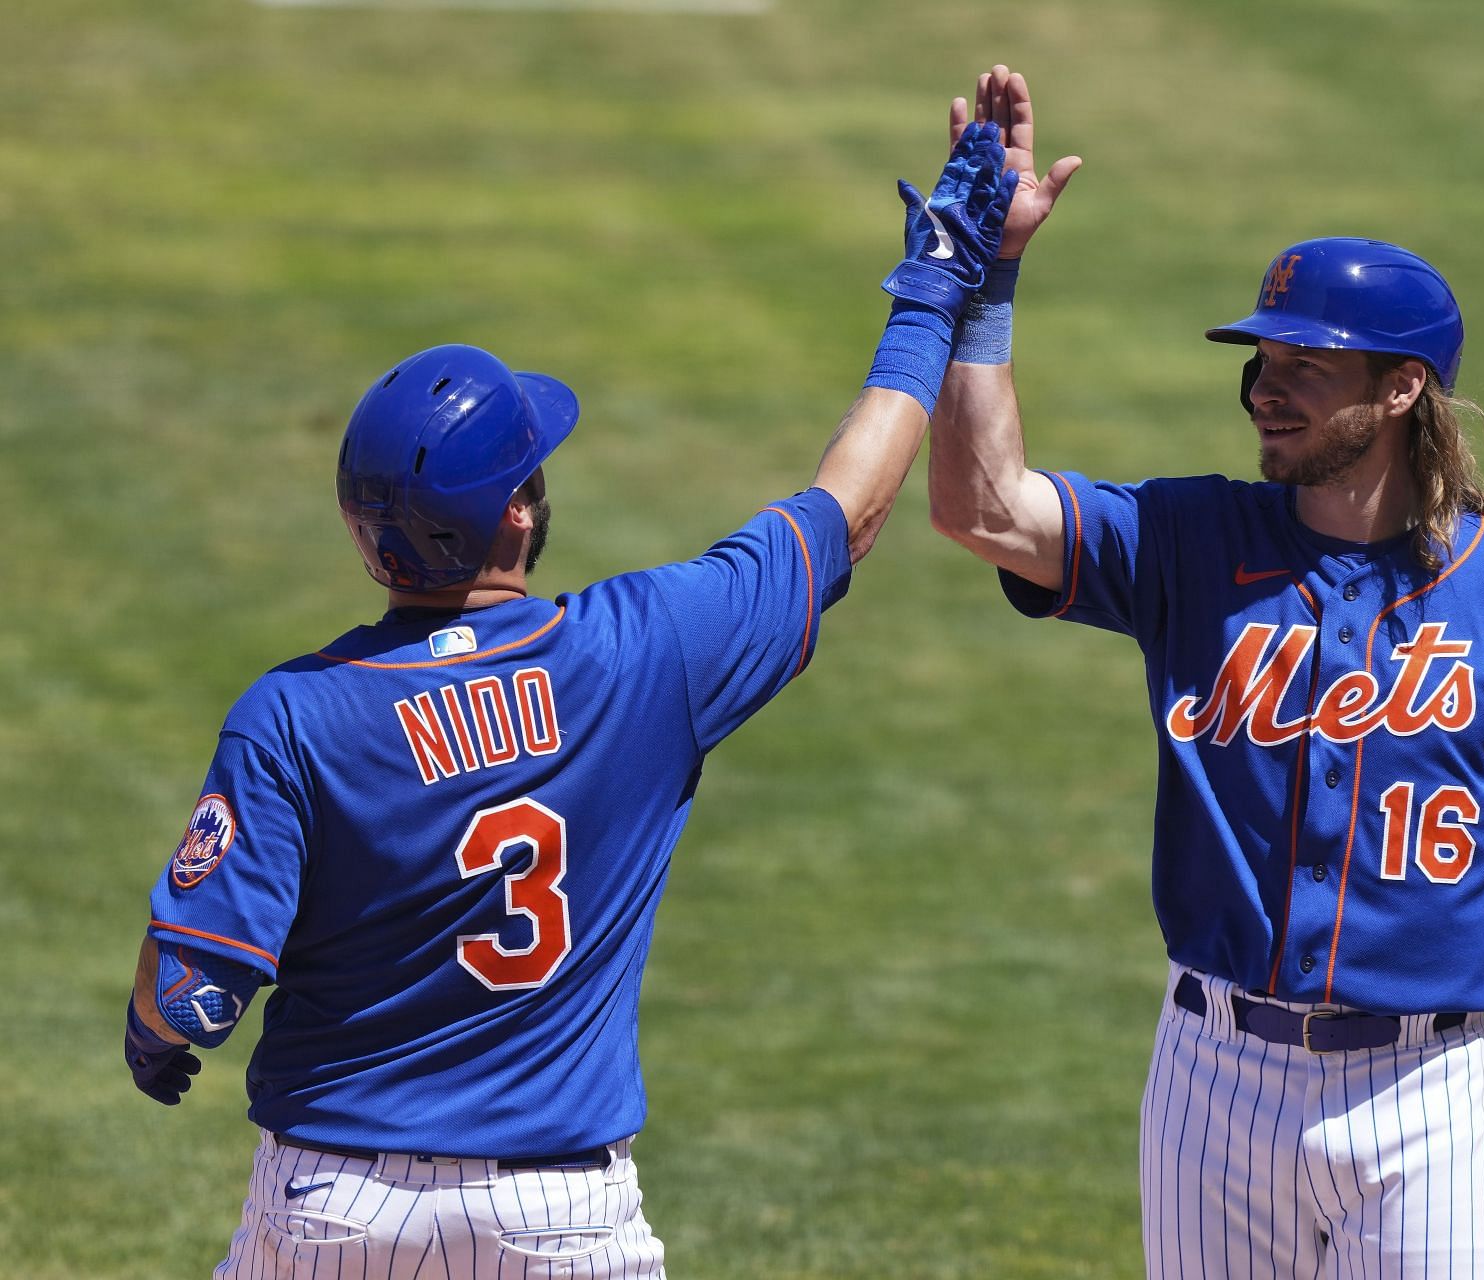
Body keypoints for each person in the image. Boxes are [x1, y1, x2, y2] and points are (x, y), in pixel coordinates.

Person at [123, 122, 1017, 1277]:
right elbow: (849, 503)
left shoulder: (297, 713)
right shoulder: (644, 652)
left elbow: (195, 986)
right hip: (561, 1219)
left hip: (335, 1206)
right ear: (519, 513)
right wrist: (936, 284)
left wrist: (152, 1030)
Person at [927, 66, 1484, 1277]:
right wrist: (986, 282)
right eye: (1260, 362)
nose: (1263, 390)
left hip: (1421, 1087)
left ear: (1401, 388)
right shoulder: (1187, 538)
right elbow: (979, 507)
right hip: (1211, 1077)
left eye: (1305, 368)